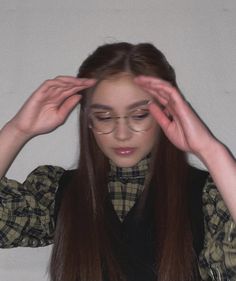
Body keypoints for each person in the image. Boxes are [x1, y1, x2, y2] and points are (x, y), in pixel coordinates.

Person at [0, 42, 235, 281]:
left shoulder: (208, 198)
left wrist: (210, 150)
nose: (122, 134)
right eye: (104, 117)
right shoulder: (59, 191)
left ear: (167, 113)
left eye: (139, 115)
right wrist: (18, 130)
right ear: (88, 120)